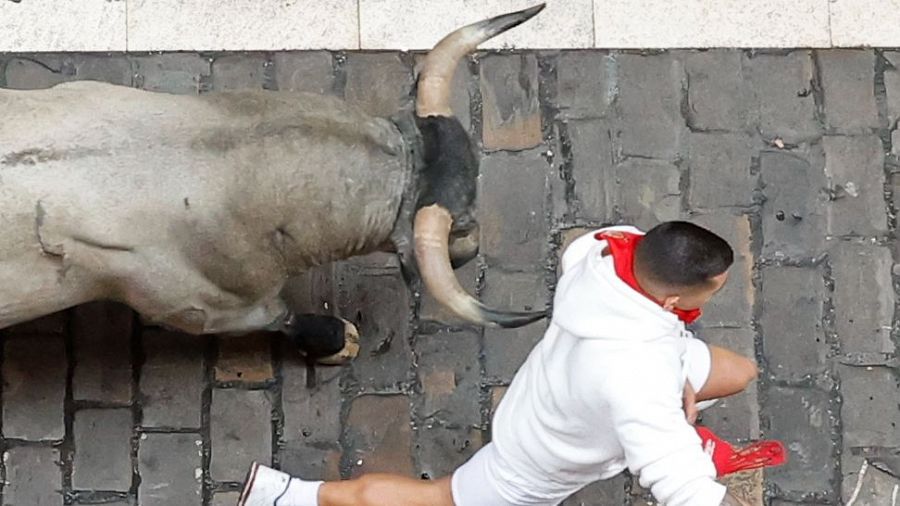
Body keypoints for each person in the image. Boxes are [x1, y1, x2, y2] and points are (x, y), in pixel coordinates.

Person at [238, 221, 763, 506]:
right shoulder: (638, 381)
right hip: (536, 460)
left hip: (575, 377)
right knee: (438, 500)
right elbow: (684, 488)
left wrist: (667, 407)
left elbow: (588, 250)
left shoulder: (607, 250)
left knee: (737, 372)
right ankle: (291, 496)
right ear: (673, 304)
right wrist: (669, 426)